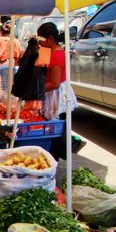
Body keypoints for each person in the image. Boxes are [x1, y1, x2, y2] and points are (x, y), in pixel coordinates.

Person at [37, 22, 77, 159]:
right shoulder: (55, 52)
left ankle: (53, 158)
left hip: (57, 96)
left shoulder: (57, 55)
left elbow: (54, 83)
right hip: (55, 94)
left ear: (50, 39)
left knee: (56, 132)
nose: (40, 43)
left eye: (41, 40)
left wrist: (37, 90)